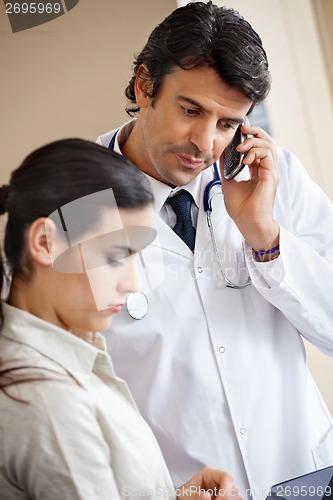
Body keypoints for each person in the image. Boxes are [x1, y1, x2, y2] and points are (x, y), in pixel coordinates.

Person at [96, 2, 333, 499]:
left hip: (305, 482)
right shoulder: (77, 207)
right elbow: (65, 392)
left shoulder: (275, 178)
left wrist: (267, 238)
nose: (205, 143)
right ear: (144, 85)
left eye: (228, 123)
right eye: (191, 110)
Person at [0, 138, 243, 499]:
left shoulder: (70, 356)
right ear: (44, 242)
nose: (132, 284)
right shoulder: (48, 402)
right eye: (115, 256)